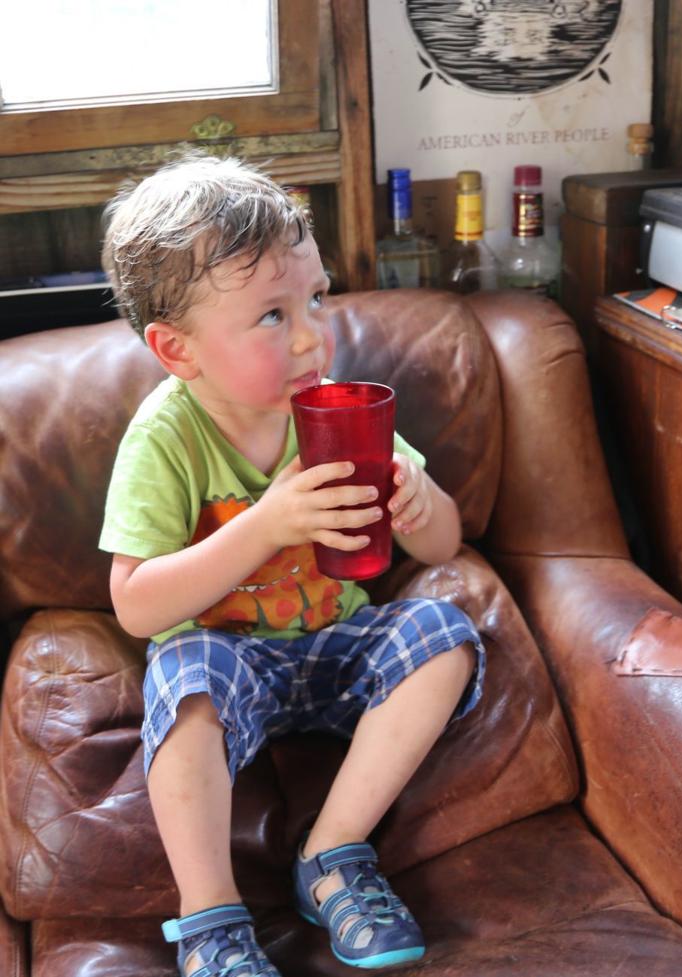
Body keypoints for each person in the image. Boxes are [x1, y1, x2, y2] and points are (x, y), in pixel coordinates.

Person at [99, 155, 485, 977]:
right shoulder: (165, 438)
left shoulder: (335, 409)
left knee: (444, 633)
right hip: (228, 659)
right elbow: (134, 604)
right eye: (272, 316)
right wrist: (265, 524)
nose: (314, 334)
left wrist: (419, 503)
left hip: (334, 645)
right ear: (178, 350)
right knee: (183, 677)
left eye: (315, 297)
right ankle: (208, 917)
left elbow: (445, 545)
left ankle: (334, 851)